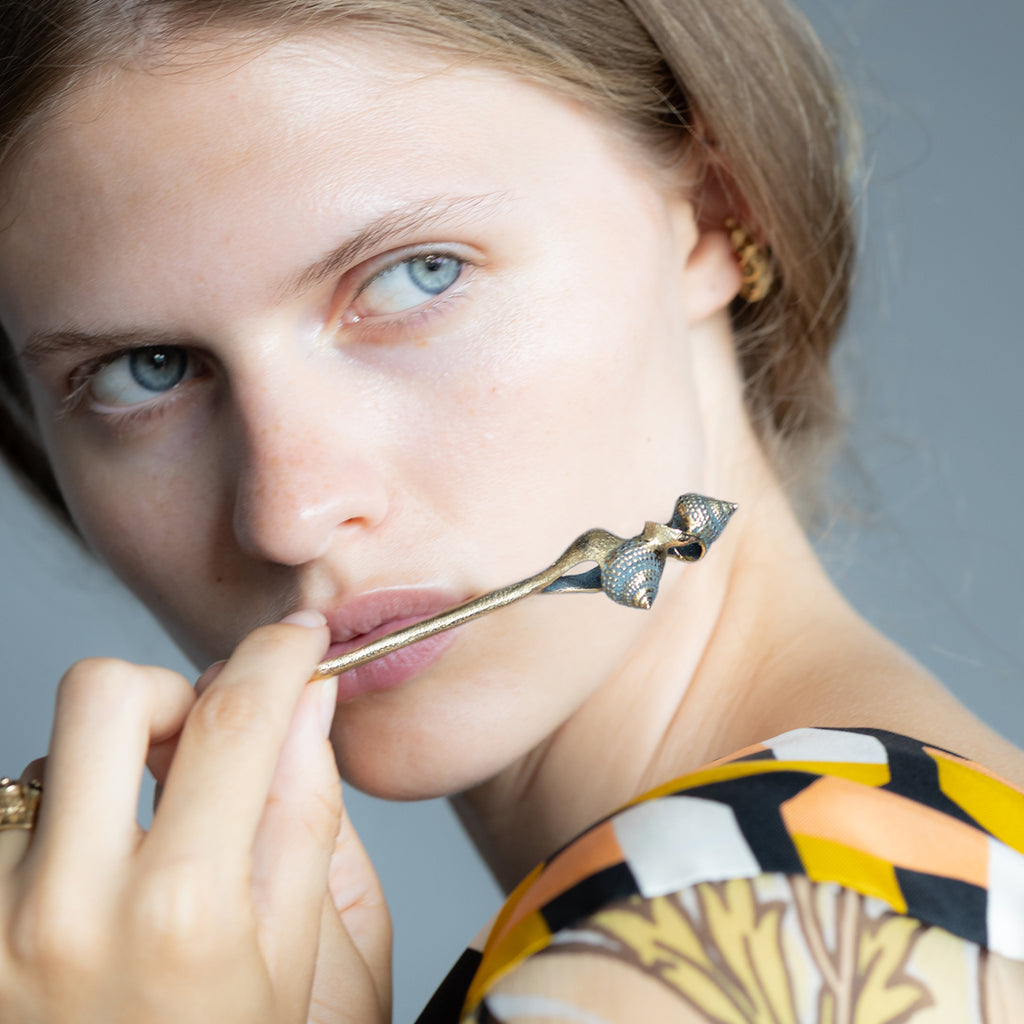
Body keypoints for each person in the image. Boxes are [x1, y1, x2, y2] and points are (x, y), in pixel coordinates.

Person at [0, 1, 1022, 1021]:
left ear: (718, 209)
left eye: (416, 274)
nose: (291, 514)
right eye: (146, 371)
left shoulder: (693, 968)